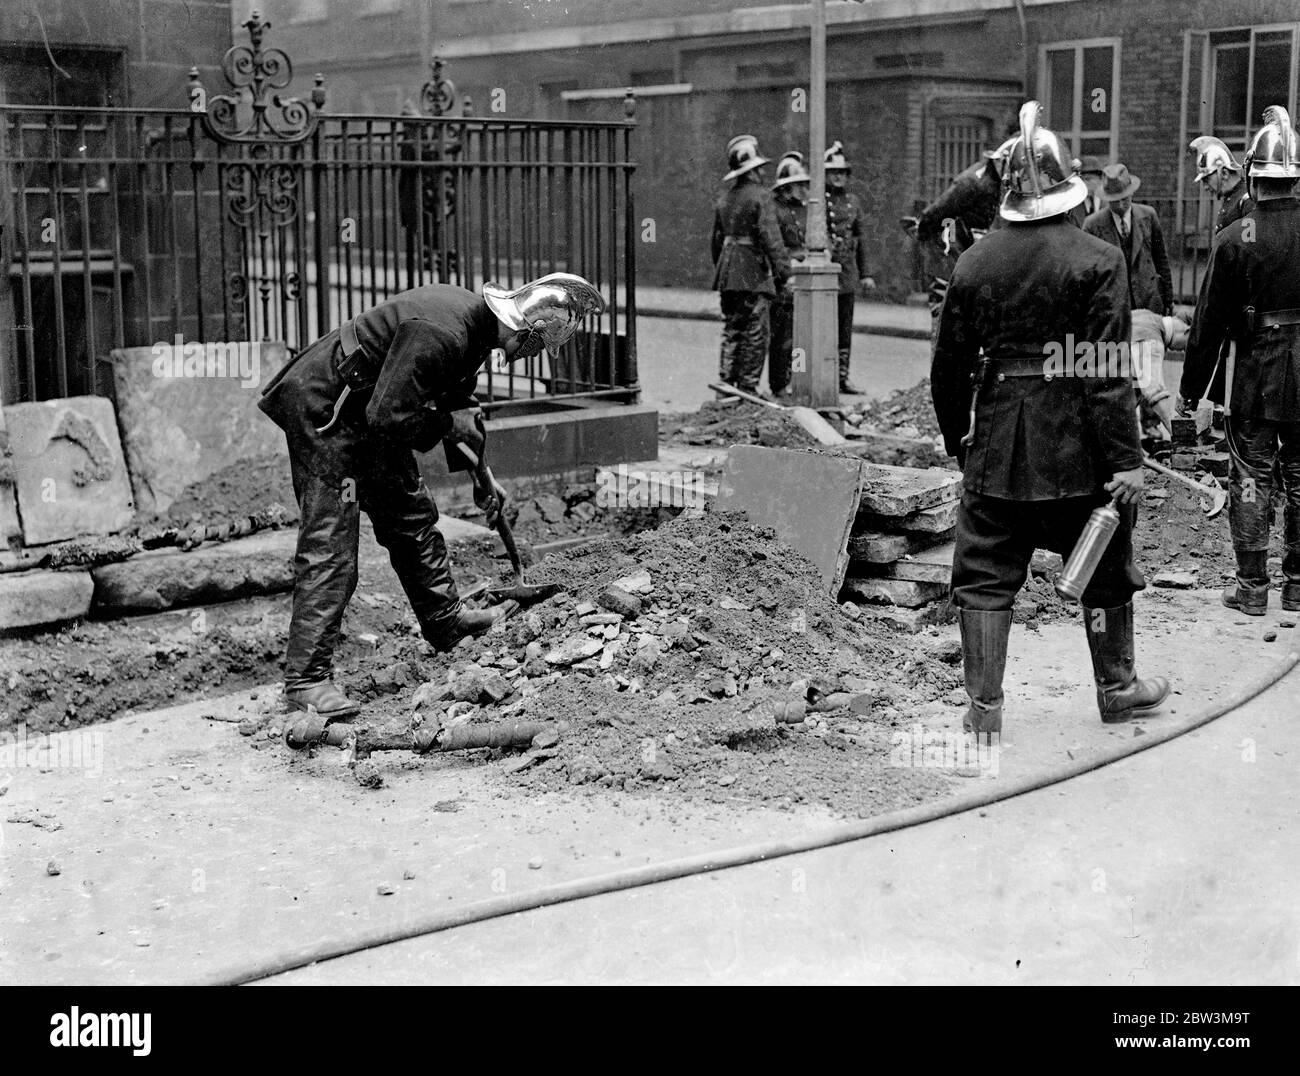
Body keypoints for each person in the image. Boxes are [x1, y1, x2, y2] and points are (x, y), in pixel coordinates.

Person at [258, 273, 606, 720]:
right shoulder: (443, 332)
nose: (532, 357)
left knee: (411, 516)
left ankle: (445, 622)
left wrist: (484, 477)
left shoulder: (478, 331)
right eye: (537, 347)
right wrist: (445, 429)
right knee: (332, 546)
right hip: (328, 413)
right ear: (524, 331)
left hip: (367, 411)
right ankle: (306, 681)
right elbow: (390, 417)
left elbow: (453, 407)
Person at [931, 101, 1169, 741]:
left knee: (983, 574)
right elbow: (1103, 371)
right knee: (1105, 561)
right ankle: (1118, 689)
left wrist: (960, 438)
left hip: (998, 441)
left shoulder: (974, 263)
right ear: (1069, 189)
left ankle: (983, 712)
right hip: (1078, 449)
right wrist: (1125, 459)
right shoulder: (1097, 260)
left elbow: (948, 367)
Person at [1180, 106, 1300, 616]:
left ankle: (1252, 589)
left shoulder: (1236, 239)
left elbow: (1208, 325)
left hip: (1256, 374)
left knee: (1250, 475)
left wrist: (1193, 392)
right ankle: (1297, 586)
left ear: (1252, 173)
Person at [1084, 163, 1176, 439]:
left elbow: (1162, 259)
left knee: (1150, 364)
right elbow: (1090, 270)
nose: (1121, 204)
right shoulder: (1094, 225)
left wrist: (1167, 299)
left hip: (1148, 300)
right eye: (1115, 200)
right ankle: (1126, 425)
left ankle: (1150, 422)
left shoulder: (1148, 216)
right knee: (1123, 366)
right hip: (1116, 305)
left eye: (1125, 198)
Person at [909, 139, 1010, 349]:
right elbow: (938, 211)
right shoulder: (972, 181)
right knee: (944, 310)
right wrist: (922, 230)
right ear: (1000, 162)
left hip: (968, 251)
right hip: (948, 248)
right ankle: (937, 375)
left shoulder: (995, 181)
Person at [711, 135, 790, 394]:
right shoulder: (761, 197)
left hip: (727, 271)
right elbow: (771, 238)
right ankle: (747, 386)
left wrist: (723, 270)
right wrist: (783, 271)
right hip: (752, 270)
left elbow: (716, 241)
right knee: (756, 330)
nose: (762, 173)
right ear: (752, 171)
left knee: (732, 327)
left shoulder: (724, 199)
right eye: (760, 168)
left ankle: (725, 382)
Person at [824, 141, 875, 394]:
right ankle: (822, 375)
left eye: (842, 172)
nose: (838, 176)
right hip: (825, 271)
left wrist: (865, 274)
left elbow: (861, 240)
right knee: (823, 326)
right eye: (834, 172)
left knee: (844, 327)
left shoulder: (853, 202)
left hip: (846, 273)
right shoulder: (819, 201)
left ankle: (842, 377)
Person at [767, 152, 810, 398]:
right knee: (782, 336)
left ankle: (794, 379)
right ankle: (778, 384)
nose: (803, 189)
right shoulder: (774, 209)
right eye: (798, 185)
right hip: (783, 277)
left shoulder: (801, 210)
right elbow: (775, 245)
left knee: (798, 336)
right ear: (786, 187)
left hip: (801, 275)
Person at [1189, 135, 1252, 233]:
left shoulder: (1246, 200)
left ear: (1224, 173)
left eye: (1207, 179)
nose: (1205, 187)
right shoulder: (1233, 198)